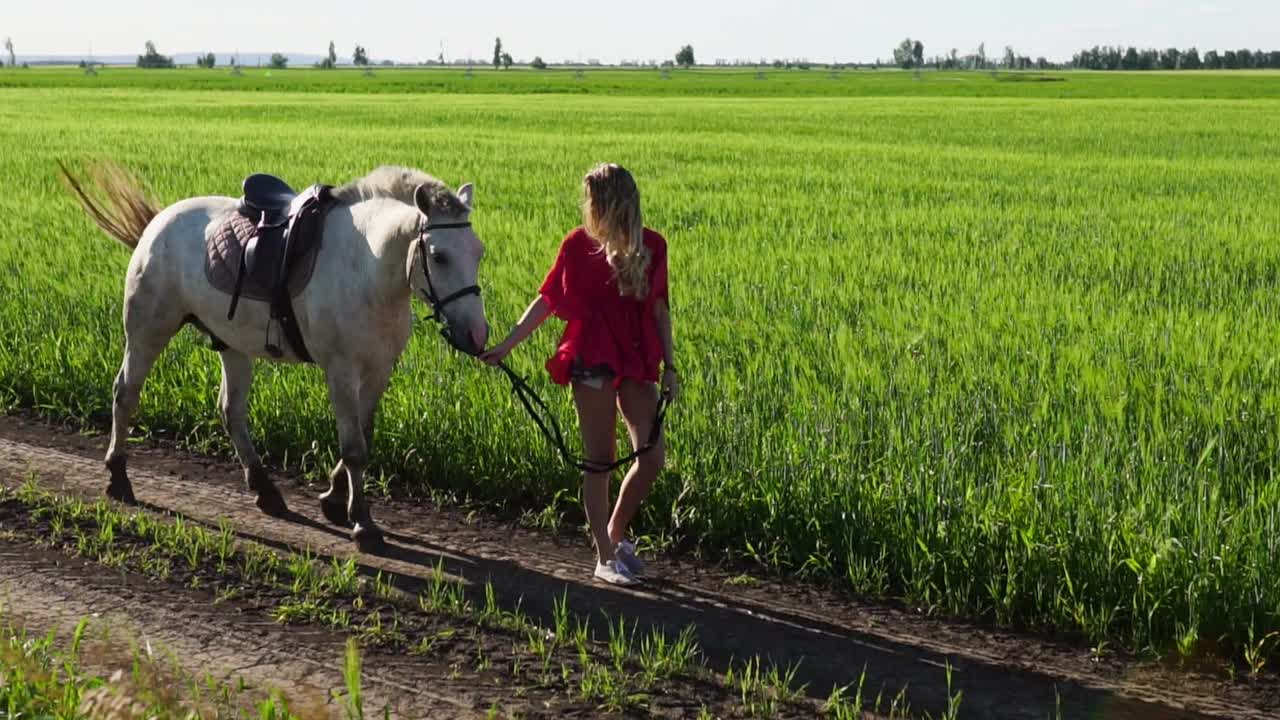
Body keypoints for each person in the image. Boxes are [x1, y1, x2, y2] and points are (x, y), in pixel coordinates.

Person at [480, 162, 678, 586]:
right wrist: (508, 343)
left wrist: (672, 368)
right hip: (592, 357)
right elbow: (548, 299)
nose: (587, 206)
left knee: (652, 456)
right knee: (599, 461)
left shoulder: (654, 247)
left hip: (639, 359)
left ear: (609, 202)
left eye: (592, 198)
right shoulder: (577, 245)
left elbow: (660, 309)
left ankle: (615, 534)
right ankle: (604, 558)